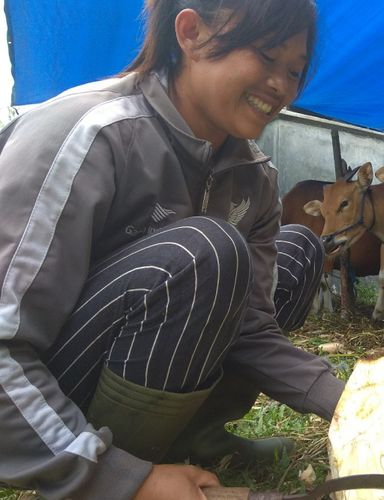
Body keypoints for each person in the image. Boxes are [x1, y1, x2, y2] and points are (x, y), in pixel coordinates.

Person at [0, 0, 345, 498]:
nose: (282, 86)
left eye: (294, 70)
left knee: (298, 249)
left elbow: (250, 327)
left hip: (137, 357)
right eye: (268, 57)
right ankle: (117, 463)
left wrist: (358, 402)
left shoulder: (255, 177)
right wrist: (118, 481)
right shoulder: (89, 134)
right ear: (191, 32)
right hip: (49, 388)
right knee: (208, 247)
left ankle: (193, 440)